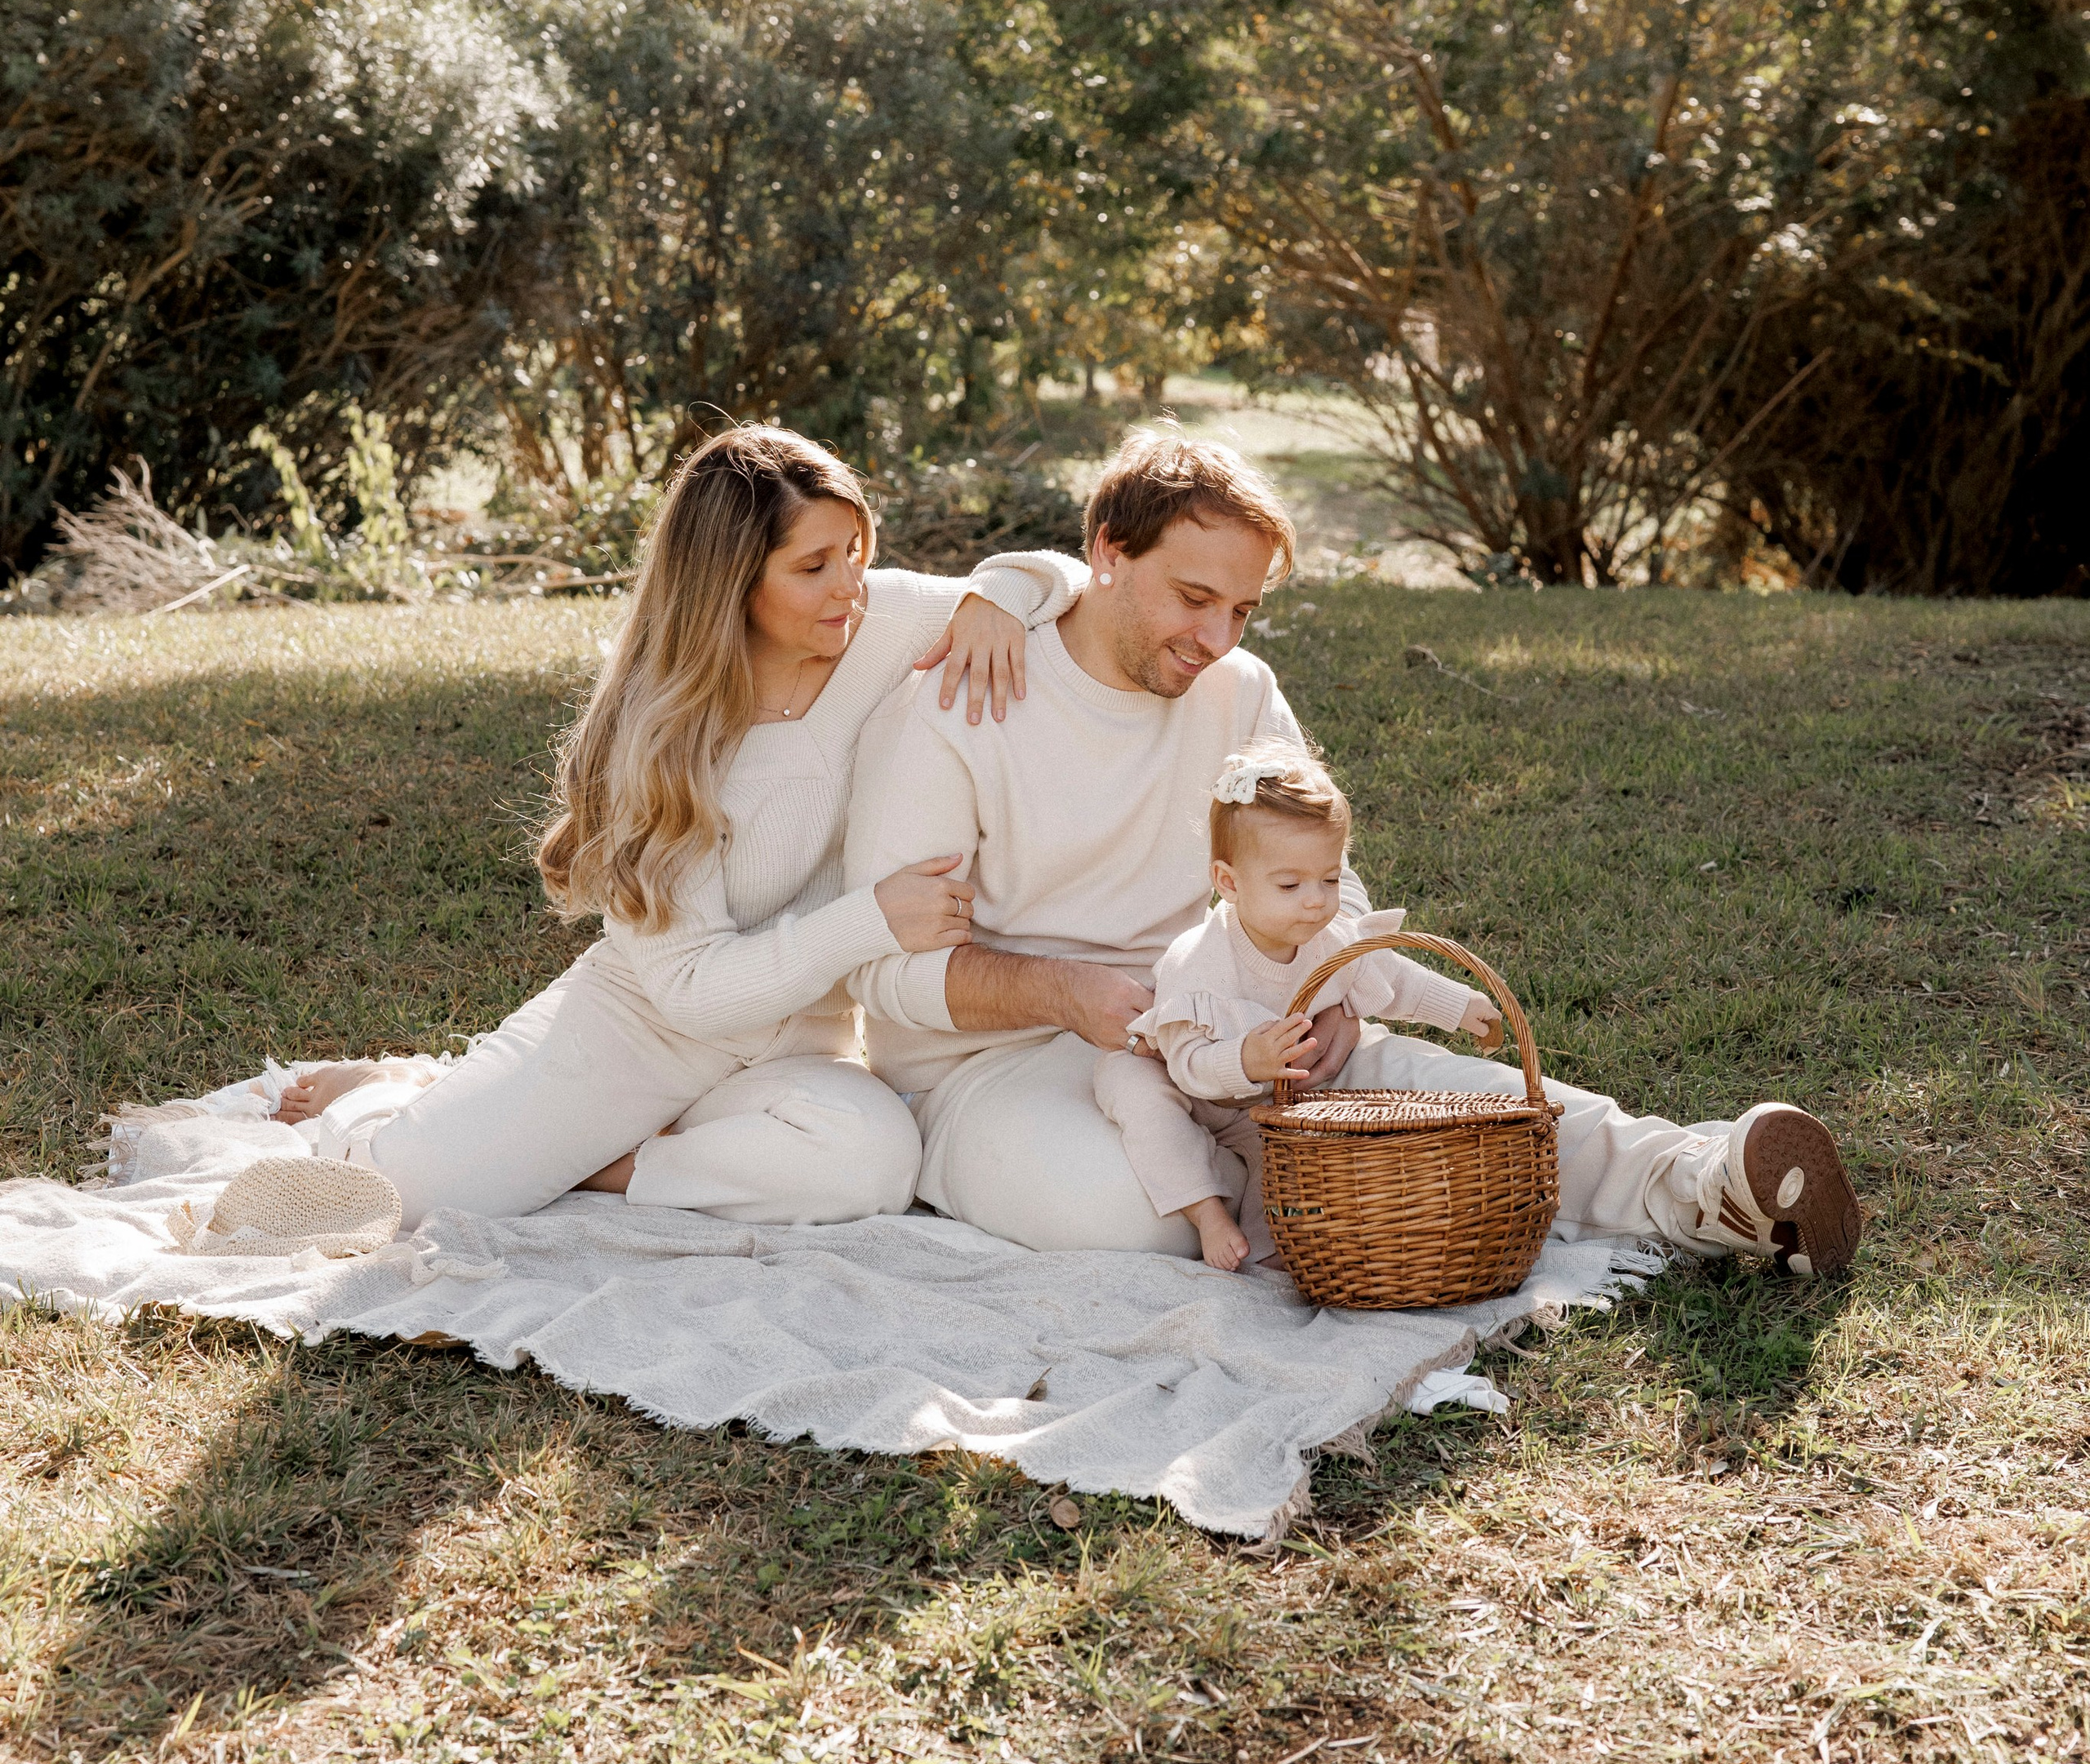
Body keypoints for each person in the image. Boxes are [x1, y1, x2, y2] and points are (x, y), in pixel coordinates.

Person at [843, 425, 1865, 1280]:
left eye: (1241, 609)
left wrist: (1329, 996)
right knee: (1132, 1213)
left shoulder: (1239, 688)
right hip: (1000, 1068)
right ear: (1107, 553)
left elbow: (1321, 871)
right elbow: (885, 975)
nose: (1215, 638)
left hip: (1242, 1019)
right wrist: (1064, 994)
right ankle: (1379, 1209)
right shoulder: (960, 700)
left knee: (1440, 1095)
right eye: (1193, 598)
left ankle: (1710, 1189)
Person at [280, 424, 1083, 1230]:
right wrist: (874, 919)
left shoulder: (881, 622)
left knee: (872, 1164)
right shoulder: (660, 740)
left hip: (804, 1040)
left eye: (855, 551)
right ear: (730, 581)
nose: (850, 587)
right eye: (812, 567)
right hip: (647, 1027)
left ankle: (619, 1165)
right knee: (396, 1198)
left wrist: (995, 598)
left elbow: (1073, 584)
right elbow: (694, 993)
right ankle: (388, 1092)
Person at [1095, 742, 1501, 1270]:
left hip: (1266, 1104)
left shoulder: (1326, 939)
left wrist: (1465, 1008)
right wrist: (1245, 1060)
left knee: (1294, 1153)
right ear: (1229, 883)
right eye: (1290, 884)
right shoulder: (1198, 960)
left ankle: (1273, 1253)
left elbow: (1395, 978)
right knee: (1134, 1093)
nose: (1316, 900)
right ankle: (1205, 1210)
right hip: (1184, 1083)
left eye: (1329, 880)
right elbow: (1188, 1062)